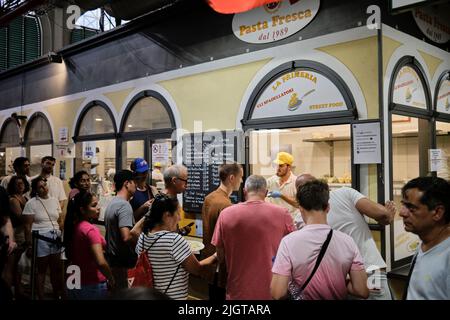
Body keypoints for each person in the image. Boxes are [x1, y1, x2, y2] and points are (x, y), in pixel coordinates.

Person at [295, 174, 395, 300]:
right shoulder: (345, 193)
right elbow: (382, 215)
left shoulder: (299, 218)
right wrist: (388, 216)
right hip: (372, 270)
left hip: (342, 280)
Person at [271, 180, 369, 300]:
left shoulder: (288, 242)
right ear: (328, 207)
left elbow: (277, 293)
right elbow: (362, 290)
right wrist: (340, 283)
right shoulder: (348, 241)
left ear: (301, 209)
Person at [211, 175, 295, 300]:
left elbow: (220, 254)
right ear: (266, 193)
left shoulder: (226, 214)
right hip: (272, 291)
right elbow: (293, 251)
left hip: (237, 291)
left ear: (245, 191)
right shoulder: (283, 214)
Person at [136, 194, 217, 300]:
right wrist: (215, 256)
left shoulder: (142, 237)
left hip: (150, 296)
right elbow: (196, 269)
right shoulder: (174, 240)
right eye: (178, 213)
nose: (179, 218)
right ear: (167, 215)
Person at [400, 177, 450, 300]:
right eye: (403, 205)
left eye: (411, 208)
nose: (402, 213)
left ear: (437, 212)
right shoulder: (424, 245)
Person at [201, 162, 243, 301]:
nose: (241, 181)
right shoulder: (226, 206)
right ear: (232, 178)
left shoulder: (210, 197)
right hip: (220, 266)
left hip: (210, 266)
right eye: (240, 177)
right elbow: (227, 242)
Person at [64, 191, 115, 299]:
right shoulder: (90, 230)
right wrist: (111, 278)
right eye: (94, 205)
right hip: (91, 283)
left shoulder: (75, 226)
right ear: (82, 210)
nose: (98, 208)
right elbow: (100, 262)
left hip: (73, 278)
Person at [22, 176, 64, 300]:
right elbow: (27, 226)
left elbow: (60, 219)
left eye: (44, 185)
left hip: (55, 236)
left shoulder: (54, 200)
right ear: (35, 189)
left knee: (56, 268)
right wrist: (29, 244)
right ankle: (40, 296)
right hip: (40, 237)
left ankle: (57, 294)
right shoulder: (31, 203)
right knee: (42, 269)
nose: (44, 188)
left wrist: (60, 232)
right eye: (40, 187)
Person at [104, 170, 144, 291]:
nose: (136, 186)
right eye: (134, 183)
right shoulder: (124, 206)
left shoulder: (112, 203)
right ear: (127, 183)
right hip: (123, 263)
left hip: (113, 260)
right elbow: (126, 237)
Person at [3, 176, 30, 299]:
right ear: (12, 185)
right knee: (13, 265)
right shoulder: (13, 200)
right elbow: (22, 217)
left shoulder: (25, 198)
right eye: (17, 184)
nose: (20, 185)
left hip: (24, 232)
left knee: (18, 266)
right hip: (16, 232)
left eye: (22, 183)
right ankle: (11, 291)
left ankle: (18, 290)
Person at [266, 152, 298, 219]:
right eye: (277, 165)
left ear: (289, 167)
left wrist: (281, 195)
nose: (278, 168)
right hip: (273, 219)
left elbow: (298, 204)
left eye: (281, 166)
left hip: (290, 221)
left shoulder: (296, 182)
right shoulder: (271, 180)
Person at [163, 165, 192, 235]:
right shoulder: (163, 202)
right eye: (185, 181)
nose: (187, 185)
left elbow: (170, 230)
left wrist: (181, 231)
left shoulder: (172, 199)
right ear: (174, 181)